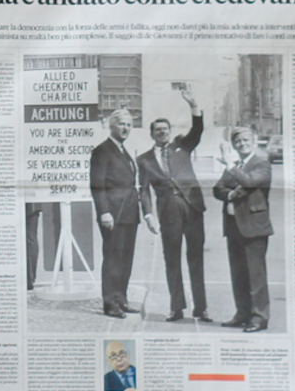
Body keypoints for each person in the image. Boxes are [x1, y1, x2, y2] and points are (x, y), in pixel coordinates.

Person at [136, 87, 210, 322]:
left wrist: (193, 105)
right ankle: (176, 307)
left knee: (196, 258)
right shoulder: (144, 160)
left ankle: (201, 308)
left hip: (193, 208)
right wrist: (148, 216)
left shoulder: (182, 146)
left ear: (170, 132)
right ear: (152, 134)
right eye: (158, 130)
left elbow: (197, 130)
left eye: (165, 129)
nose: (162, 133)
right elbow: (144, 190)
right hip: (168, 214)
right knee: (172, 260)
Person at [89, 109, 150, 318]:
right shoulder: (102, 151)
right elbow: (97, 185)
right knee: (113, 259)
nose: (125, 128)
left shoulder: (124, 151)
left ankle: (122, 299)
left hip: (129, 215)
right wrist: (104, 212)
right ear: (111, 126)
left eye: (128, 125)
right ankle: (110, 303)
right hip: (113, 215)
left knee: (125, 259)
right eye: (121, 124)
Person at [216, 124, 275, 332]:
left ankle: (259, 317)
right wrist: (231, 194)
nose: (241, 144)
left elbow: (249, 183)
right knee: (238, 273)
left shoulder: (262, 163)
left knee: (255, 275)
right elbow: (218, 189)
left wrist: (232, 169)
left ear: (254, 141)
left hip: (254, 227)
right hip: (233, 226)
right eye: (237, 142)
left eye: (245, 141)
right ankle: (242, 313)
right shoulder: (236, 165)